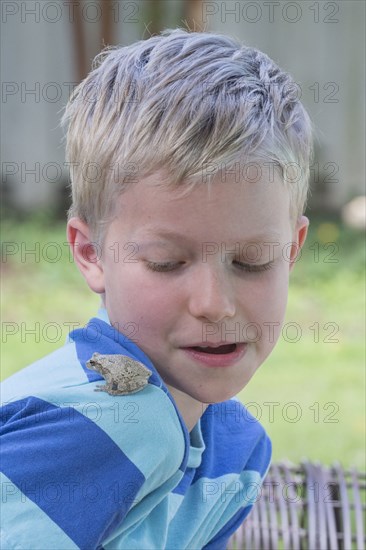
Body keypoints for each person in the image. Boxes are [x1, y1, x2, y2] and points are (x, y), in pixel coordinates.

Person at [0, 28, 312, 549]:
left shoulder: (236, 455)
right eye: (167, 263)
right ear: (90, 254)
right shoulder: (115, 426)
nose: (214, 304)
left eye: (252, 261)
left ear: (292, 251)